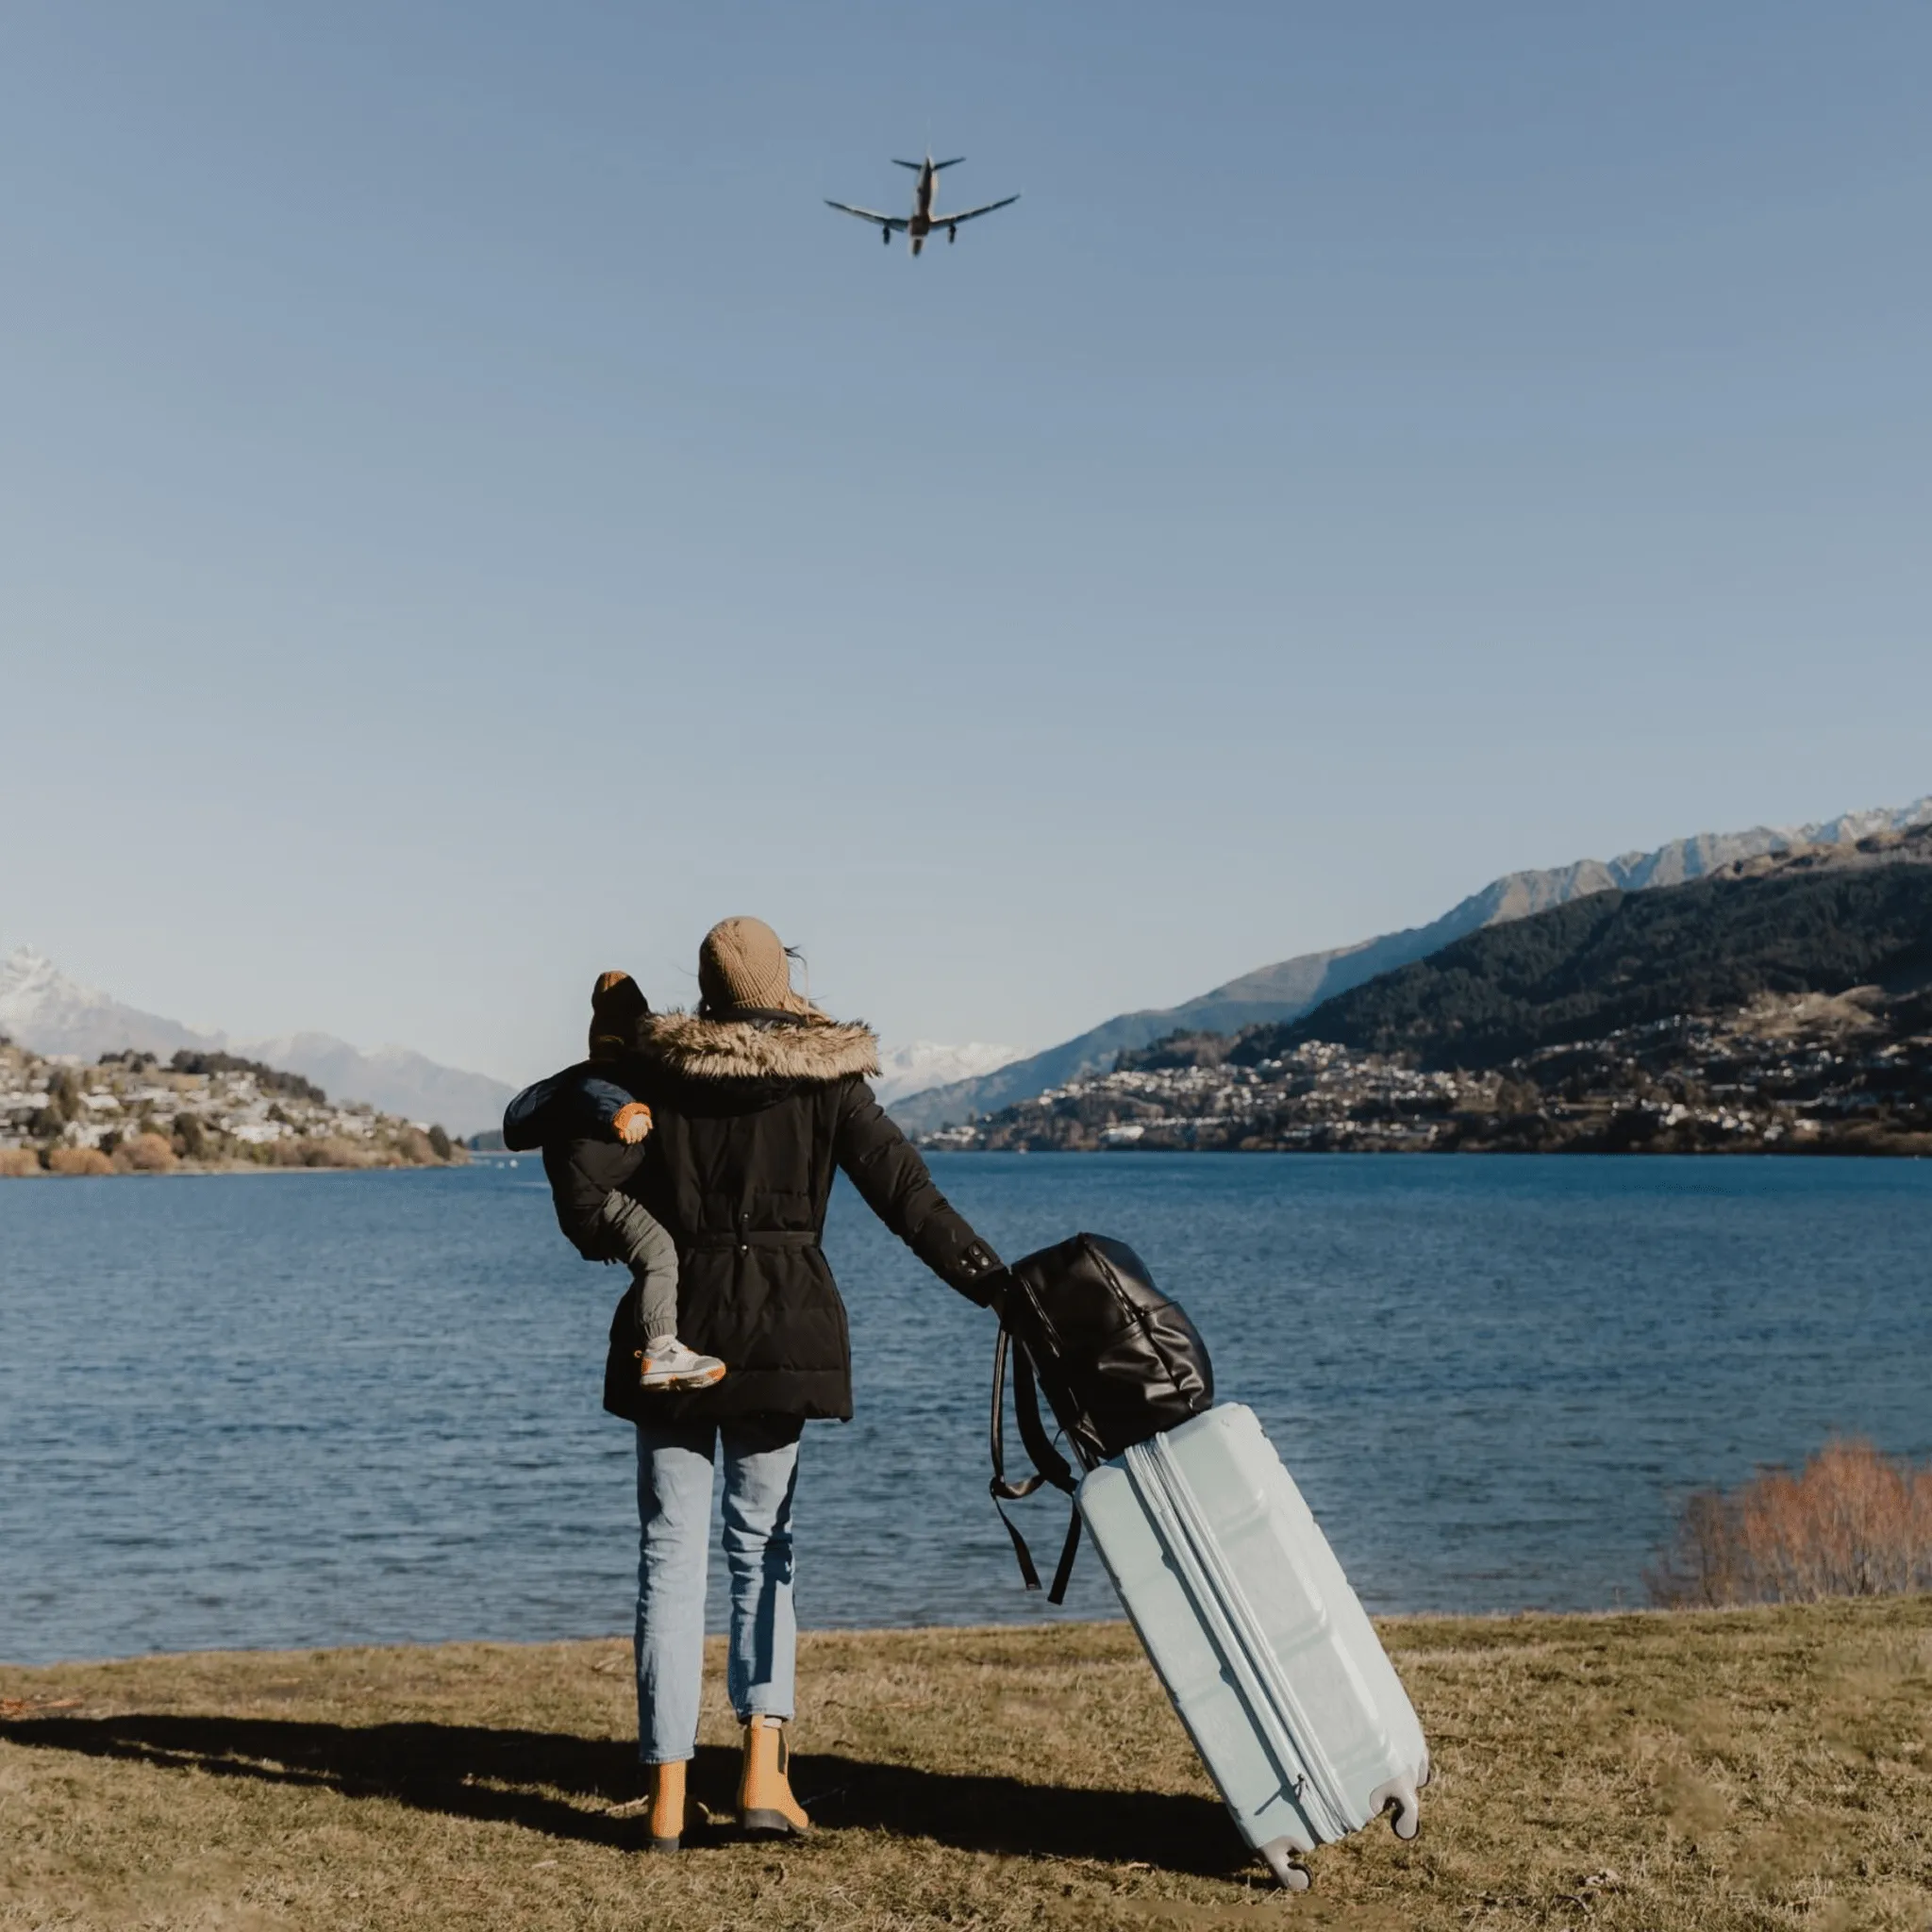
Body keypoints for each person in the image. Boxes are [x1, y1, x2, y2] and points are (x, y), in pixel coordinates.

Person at [603, 916, 1004, 1851]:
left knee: (669, 1554)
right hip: (782, 1327)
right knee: (762, 1543)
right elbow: (908, 1194)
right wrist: (992, 1282)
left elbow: (595, 1188)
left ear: (705, 990)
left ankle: (664, 1794)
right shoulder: (827, 1076)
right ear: (783, 986)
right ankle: (759, 1776)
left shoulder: (653, 1075)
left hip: (673, 1329)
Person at [502, 971, 724, 1391]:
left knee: (649, 1253)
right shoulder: (603, 1080)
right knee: (659, 1253)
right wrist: (626, 1113)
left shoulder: (566, 1081)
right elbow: (599, 1093)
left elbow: (517, 1120)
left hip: (582, 1207)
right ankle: (661, 1350)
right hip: (600, 1201)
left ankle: (662, 1341)